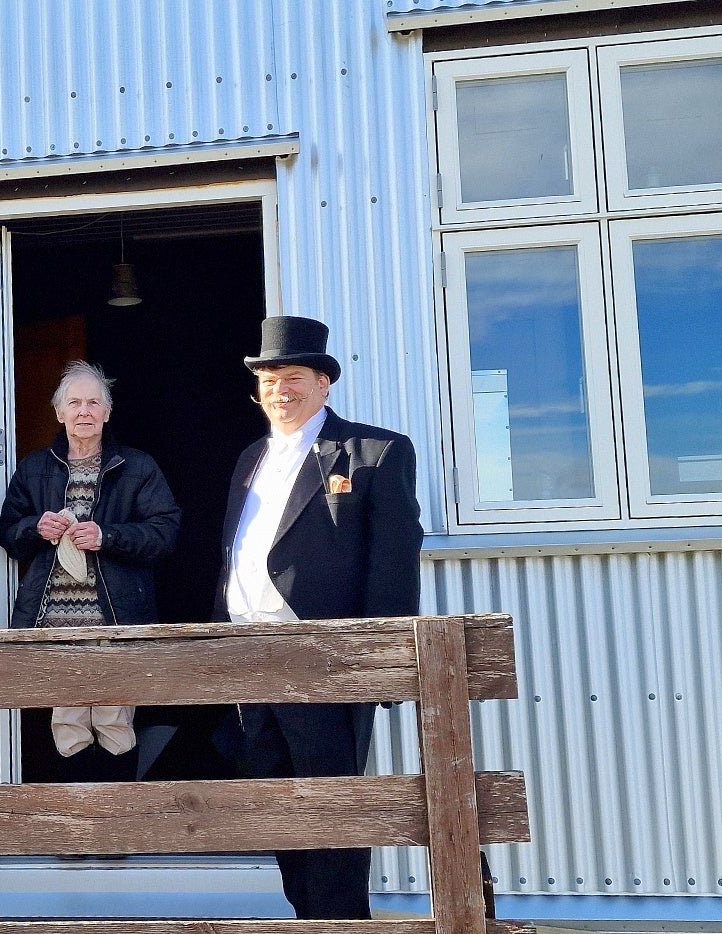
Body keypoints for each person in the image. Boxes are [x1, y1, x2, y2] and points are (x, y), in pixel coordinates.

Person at [215, 316, 422, 920]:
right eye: (271, 379)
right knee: (277, 806)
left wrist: (386, 661)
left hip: (327, 660)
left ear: (325, 383)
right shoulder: (250, 458)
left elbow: (393, 562)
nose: (283, 389)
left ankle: (340, 925)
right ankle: (311, 920)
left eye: (296, 376)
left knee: (334, 806)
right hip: (246, 658)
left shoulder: (374, 452)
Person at [0, 361, 181, 783]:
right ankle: (79, 834)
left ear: (108, 412)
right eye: (74, 403)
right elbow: (10, 533)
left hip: (116, 623)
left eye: (93, 402)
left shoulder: (137, 466)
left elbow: (165, 532)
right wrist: (35, 527)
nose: (84, 411)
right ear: (59, 412)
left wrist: (108, 536)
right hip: (57, 625)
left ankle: (114, 836)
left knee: (115, 722)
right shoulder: (33, 468)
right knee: (68, 724)